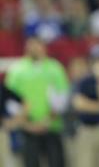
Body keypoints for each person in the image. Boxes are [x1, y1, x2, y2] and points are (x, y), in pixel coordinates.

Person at [4, 37, 69, 167]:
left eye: (37, 45)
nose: (34, 48)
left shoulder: (55, 68)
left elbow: (62, 97)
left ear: (44, 47)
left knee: (56, 162)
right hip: (27, 128)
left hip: (52, 126)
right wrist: (27, 123)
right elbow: (10, 100)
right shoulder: (17, 70)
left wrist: (47, 120)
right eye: (31, 45)